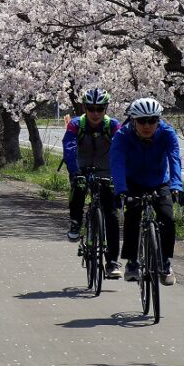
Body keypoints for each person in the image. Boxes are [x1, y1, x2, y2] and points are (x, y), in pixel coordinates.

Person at [110, 97, 184, 285]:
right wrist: (120, 190)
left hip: (159, 181)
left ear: (158, 120)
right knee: (133, 217)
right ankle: (132, 262)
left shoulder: (167, 133)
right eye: (142, 121)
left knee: (167, 217)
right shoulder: (122, 136)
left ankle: (165, 261)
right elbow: (117, 163)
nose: (147, 125)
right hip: (132, 181)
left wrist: (177, 186)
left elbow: (174, 159)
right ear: (133, 120)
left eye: (152, 120)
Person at [62, 88, 123, 278]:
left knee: (111, 216)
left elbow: (122, 150)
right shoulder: (75, 124)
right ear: (85, 108)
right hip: (81, 168)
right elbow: (69, 148)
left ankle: (112, 262)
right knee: (79, 187)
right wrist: (75, 171)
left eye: (99, 109)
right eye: (91, 108)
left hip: (107, 172)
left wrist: (121, 175)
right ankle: (75, 222)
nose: (95, 113)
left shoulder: (112, 125)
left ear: (105, 108)